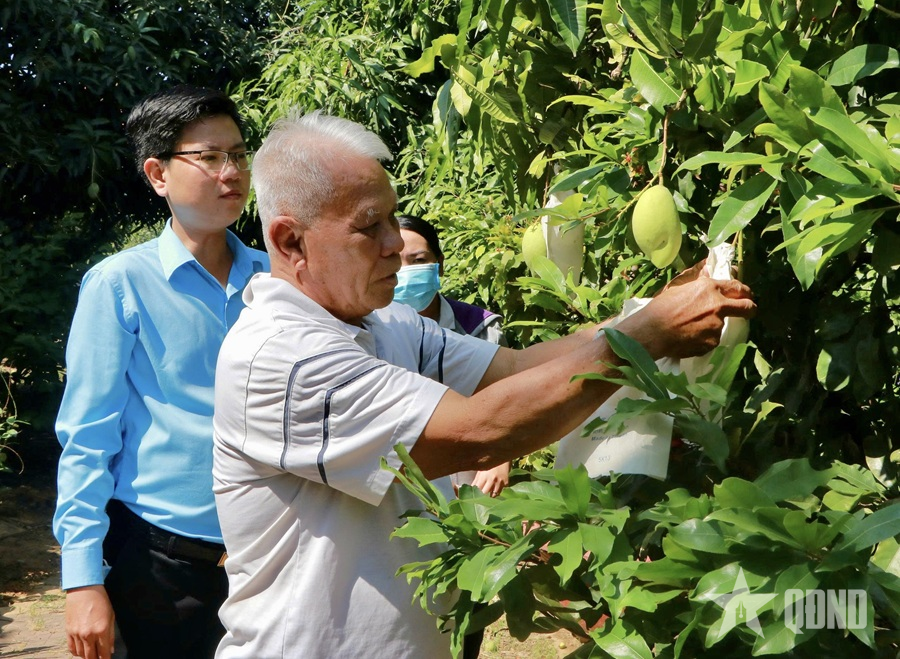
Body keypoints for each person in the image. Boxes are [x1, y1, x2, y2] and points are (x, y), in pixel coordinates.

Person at [211, 111, 756, 658]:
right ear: (290, 242)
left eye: (392, 221)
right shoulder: (285, 357)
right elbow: (481, 431)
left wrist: (648, 314)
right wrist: (646, 337)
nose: (394, 245)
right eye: (368, 225)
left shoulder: (386, 323)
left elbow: (517, 369)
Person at [52, 85, 269, 659]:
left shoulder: (278, 281)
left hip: (271, 559)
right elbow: (87, 436)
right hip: (158, 567)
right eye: (210, 156)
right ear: (158, 174)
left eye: (240, 154)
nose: (232, 171)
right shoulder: (120, 284)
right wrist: (83, 580)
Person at [396, 213, 511, 499]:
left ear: (440, 265)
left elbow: (507, 397)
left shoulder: (479, 326)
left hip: (476, 477)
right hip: (404, 481)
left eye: (418, 260)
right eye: (395, 261)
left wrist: (501, 458)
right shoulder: (370, 330)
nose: (405, 271)